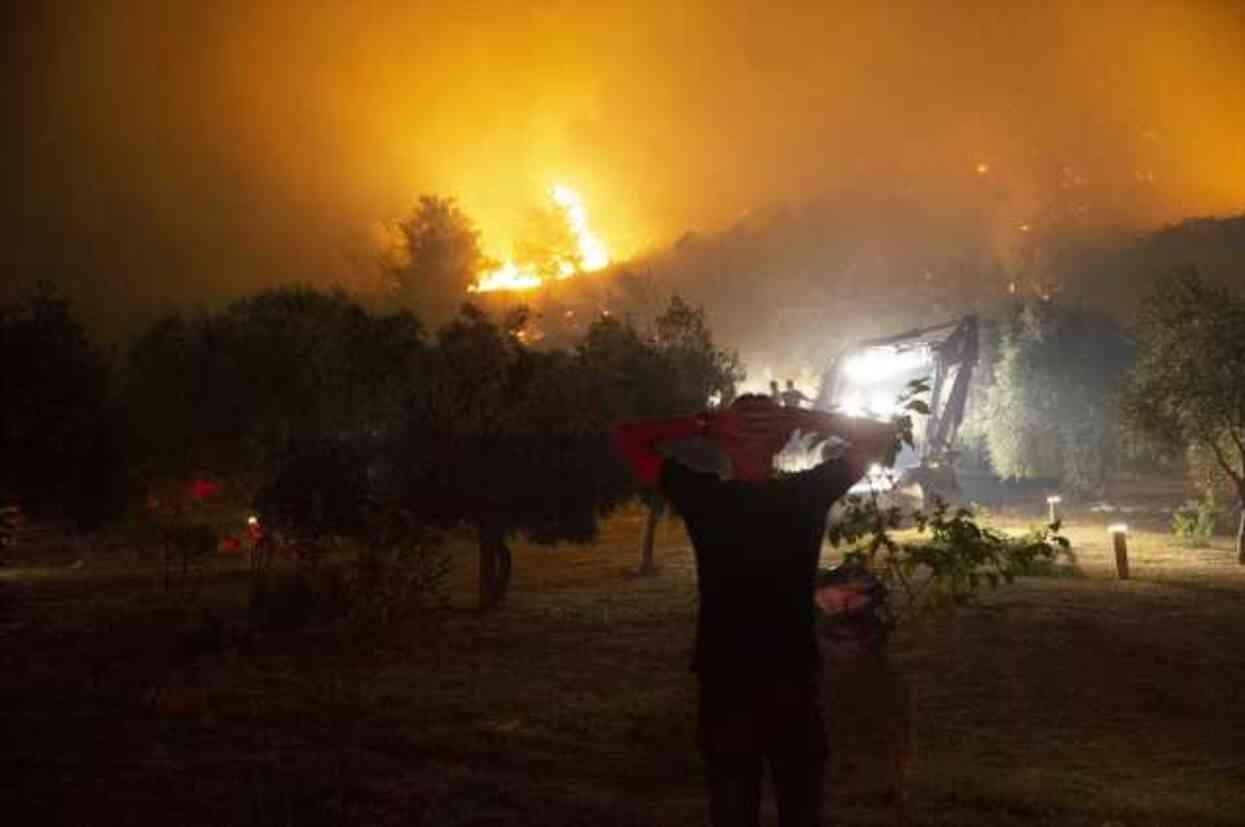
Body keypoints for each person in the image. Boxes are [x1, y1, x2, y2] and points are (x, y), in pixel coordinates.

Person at [614, 394, 897, 827]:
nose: (749, 432)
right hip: (785, 675)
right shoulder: (805, 493)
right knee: (796, 806)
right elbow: (877, 438)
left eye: (758, 425)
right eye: (743, 424)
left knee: (736, 807)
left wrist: (707, 425)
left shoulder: (704, 495)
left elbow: (630, 439)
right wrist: (800, 419)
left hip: (733, 675)